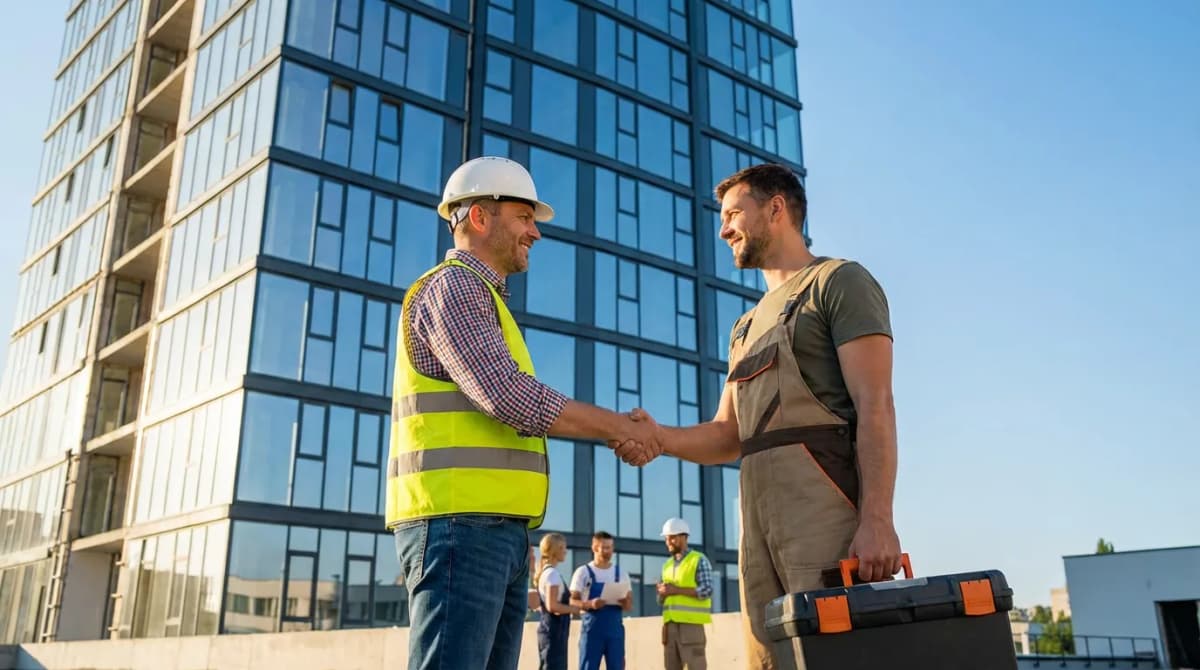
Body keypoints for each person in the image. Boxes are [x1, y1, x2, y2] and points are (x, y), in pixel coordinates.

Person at [617, 164, 904, 669]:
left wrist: (878, 518)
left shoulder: (838, 283)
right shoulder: (744, 327)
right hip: (756, 522)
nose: (724, 228)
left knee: (833, 654)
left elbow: (876, 405)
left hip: (825, 512)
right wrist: (658, 437)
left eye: (733, 214)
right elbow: (728, 434)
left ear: (776, 209)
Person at [387, 156, 660, 670]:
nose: (535, 232)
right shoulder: (455, 289)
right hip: (459, 528)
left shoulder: (486, 300)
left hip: (493, 533)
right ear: (479, 218)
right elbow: (510, 398)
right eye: (524, 217)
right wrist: (620, 428)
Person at [569, 531, 633, 669]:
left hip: (615, 631)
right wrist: (589, 604)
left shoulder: (621, 574)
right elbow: (572, 600)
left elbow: (629, 605)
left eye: (609, 547)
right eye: (603, 547)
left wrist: (624, 602)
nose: (607, 551)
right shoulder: (583, 572)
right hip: (592, 629)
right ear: (594, 548)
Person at [656, 518, 713, 670]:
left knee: (696, 667)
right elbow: (661, 600)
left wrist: (676, 590)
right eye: (666, 538)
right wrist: (662, 593)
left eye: (672, 537)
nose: (668, 542)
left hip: (691, 628)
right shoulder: (666, 565)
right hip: (669, 629)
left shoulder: (699, 560)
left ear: (684, 537)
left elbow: (707, 590)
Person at [536, 533, 580, 670]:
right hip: (554, 633)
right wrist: (575, 609)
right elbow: (552, 606)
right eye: (563, 547)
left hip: (550, 631)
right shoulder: (552, 574)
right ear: (555, 550)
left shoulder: (546, 573)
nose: (566, 551)